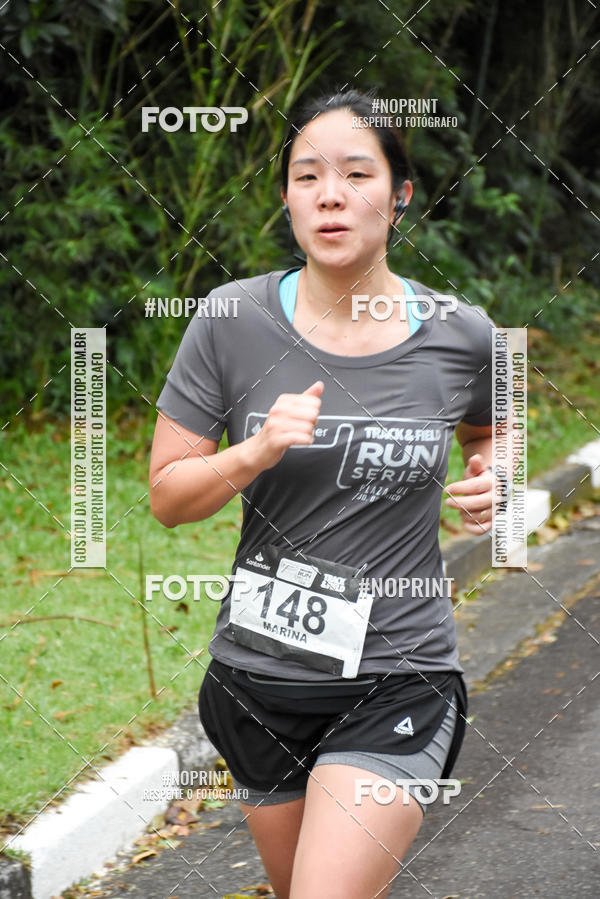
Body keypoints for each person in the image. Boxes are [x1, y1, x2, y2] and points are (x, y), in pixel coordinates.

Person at [149, 88, 498, 899]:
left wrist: (498, 474)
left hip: (398, 676)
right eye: (307, 176)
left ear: (400, 195)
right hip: (256, 681)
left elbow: (491, 429)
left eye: (355, 173)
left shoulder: (461, 331)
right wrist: (258, 448)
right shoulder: (229, 319)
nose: (330, 194)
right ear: (286, 197)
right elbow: (169, 497)